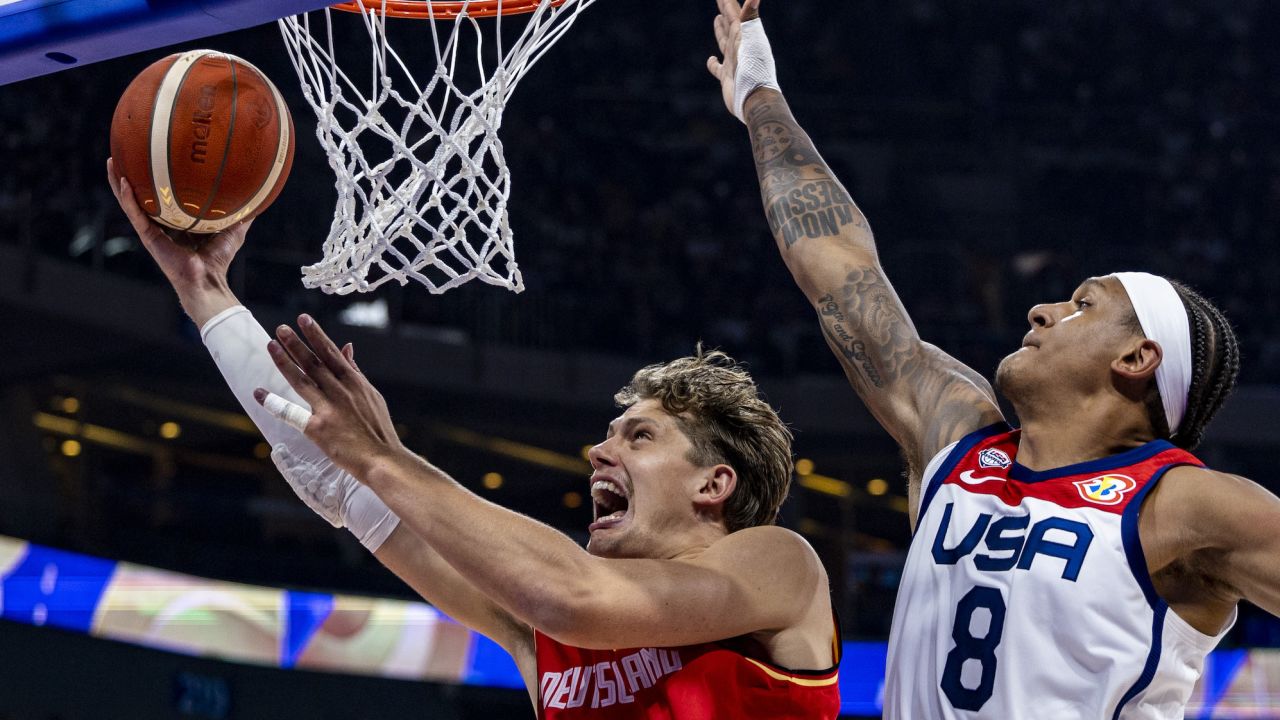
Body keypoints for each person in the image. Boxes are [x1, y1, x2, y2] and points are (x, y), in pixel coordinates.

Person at [106, 159, 842, 718]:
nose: (598, 451)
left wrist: (384, 456)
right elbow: (341, 480)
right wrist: (207, 295)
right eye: (609, 433)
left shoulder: (778, 566)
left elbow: (575, 596)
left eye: (639, 436)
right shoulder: (538, 631)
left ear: (714, 485)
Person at [708, 0, 1280, 717]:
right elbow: (837, 266)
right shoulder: (955, 436)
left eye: (1084, 304)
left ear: (1138, 357)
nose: (1042, 311)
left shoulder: (1186, 503)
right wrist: (760, 93)